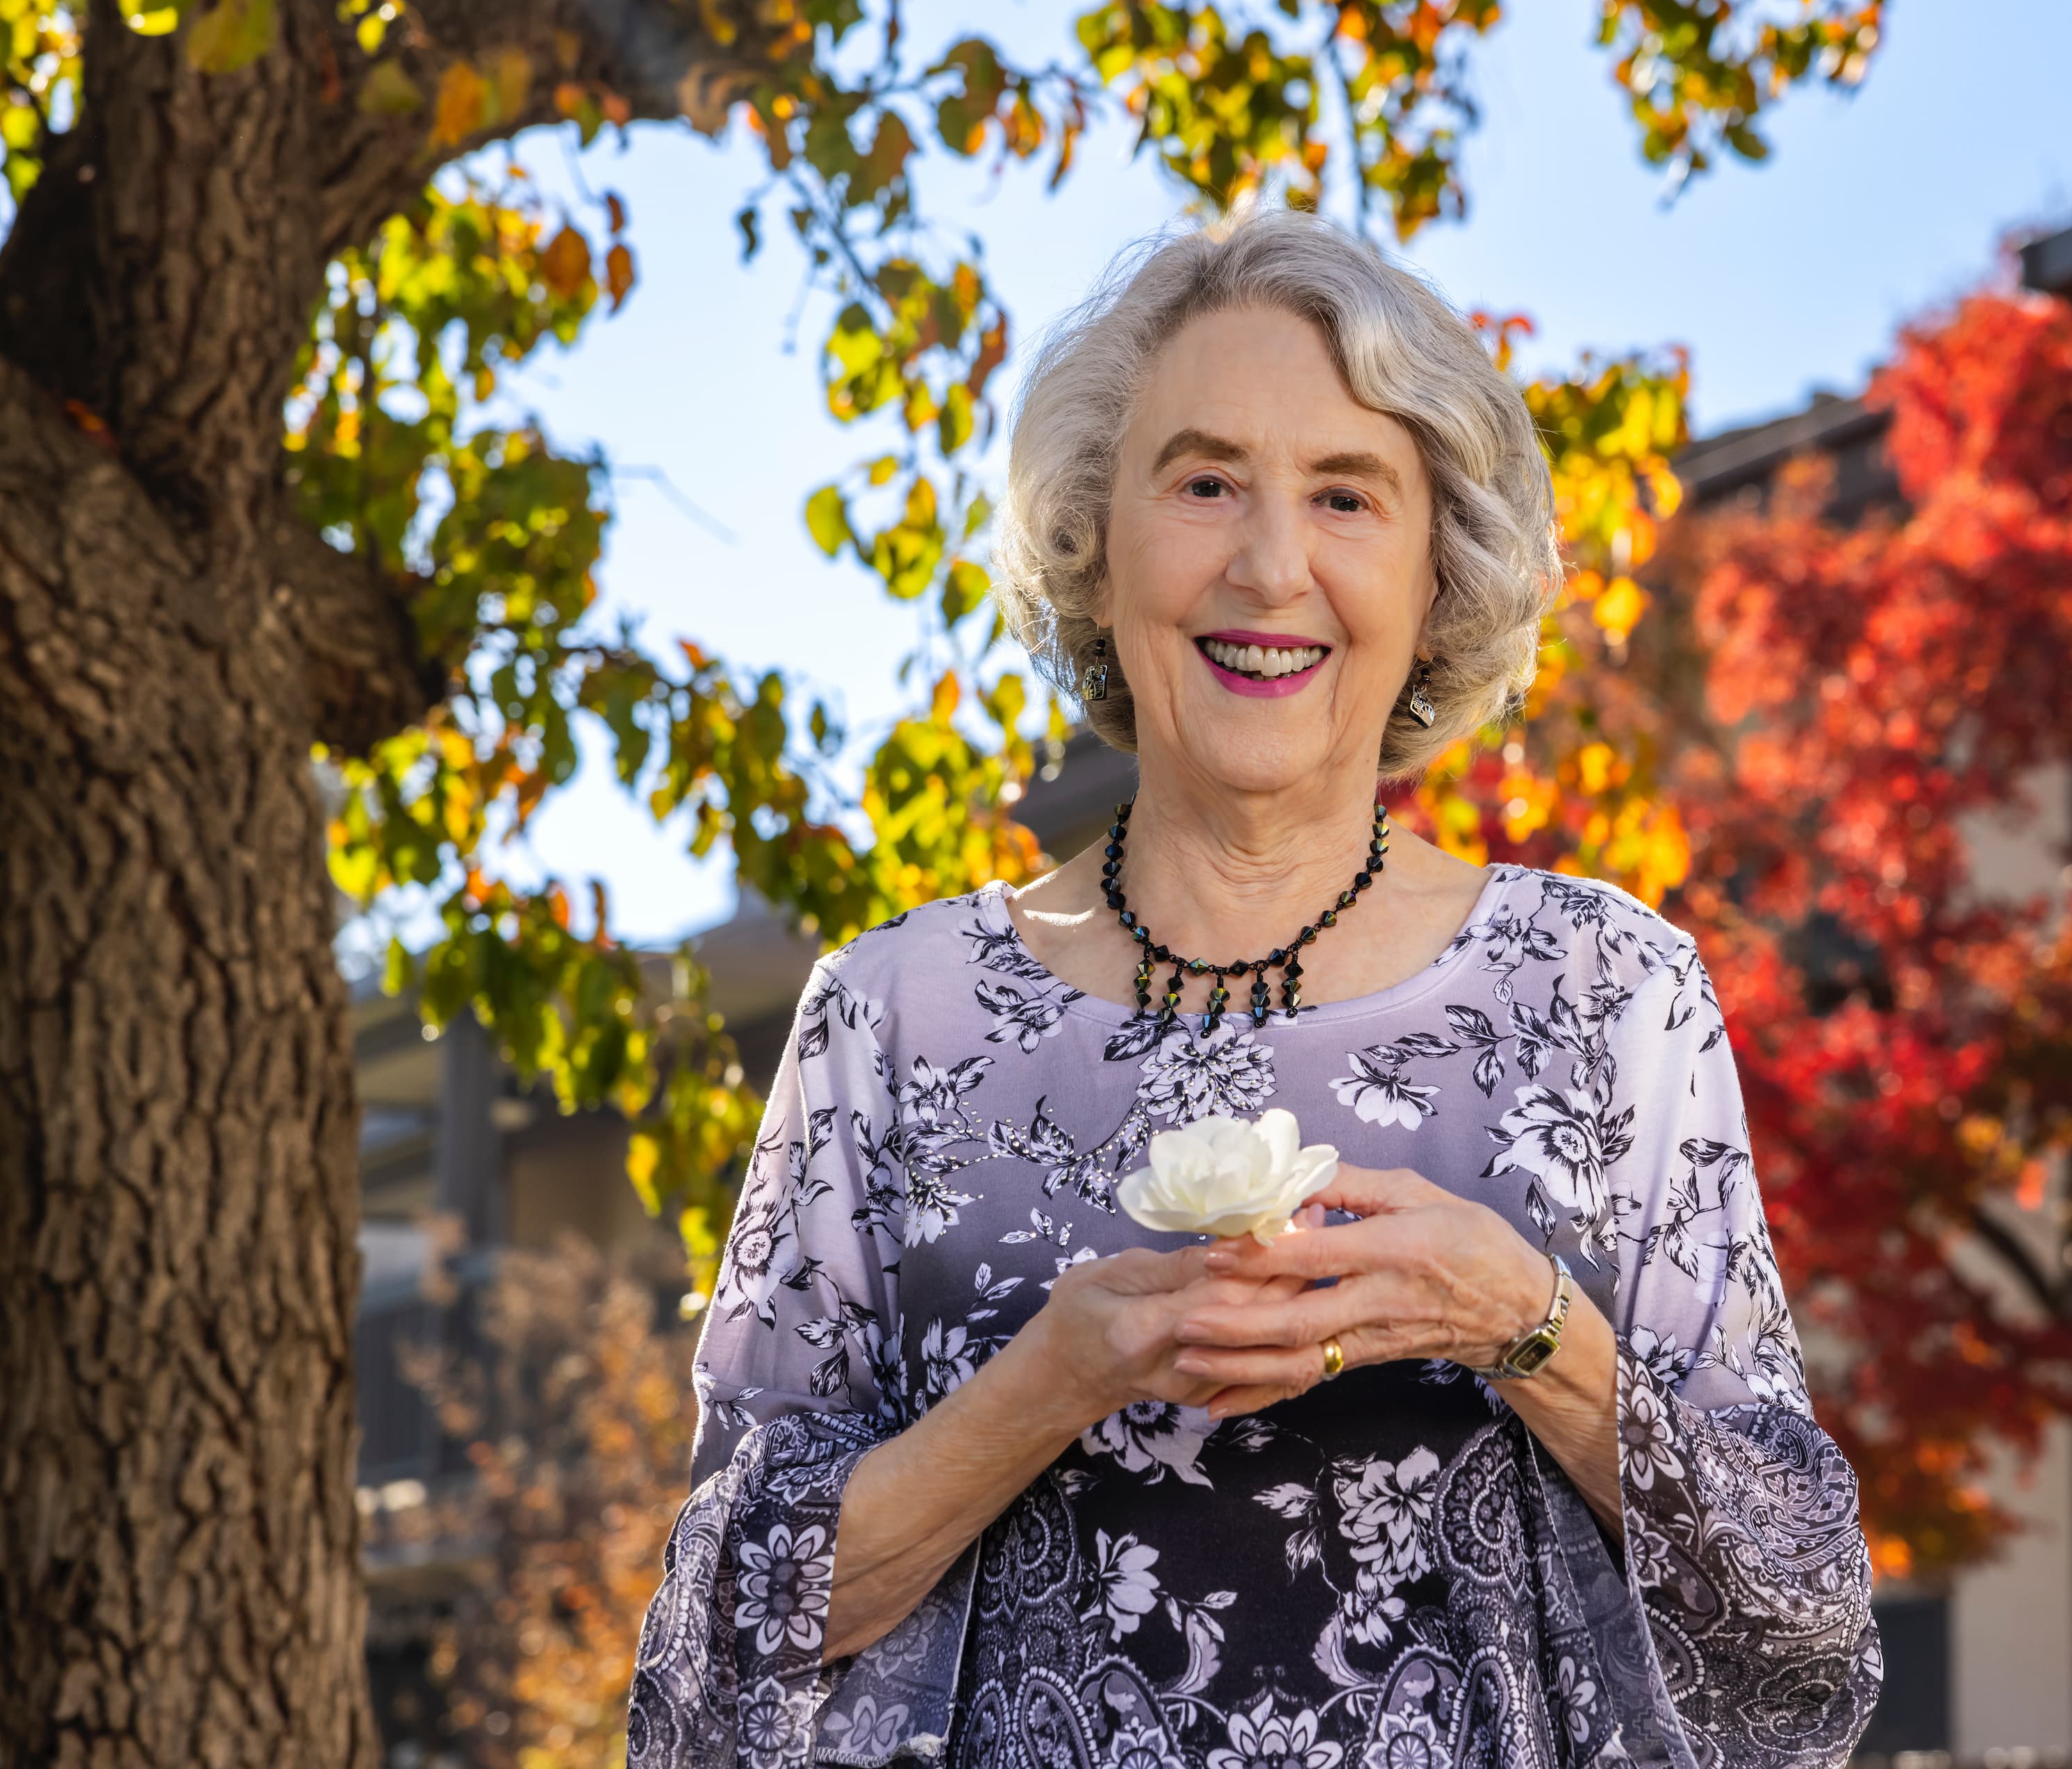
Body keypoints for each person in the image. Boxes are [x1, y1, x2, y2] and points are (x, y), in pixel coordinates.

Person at [627, 209, 1881, 1769]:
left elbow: (1804, 1619)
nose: (1269, 564)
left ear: (1437, 574)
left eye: (1346, 495)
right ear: (1094, 546)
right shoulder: (888, 1019)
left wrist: (1526, 1324)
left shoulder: (1611, 996)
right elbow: (712, 1652)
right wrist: (1055, 1377)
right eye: (1204, 481)